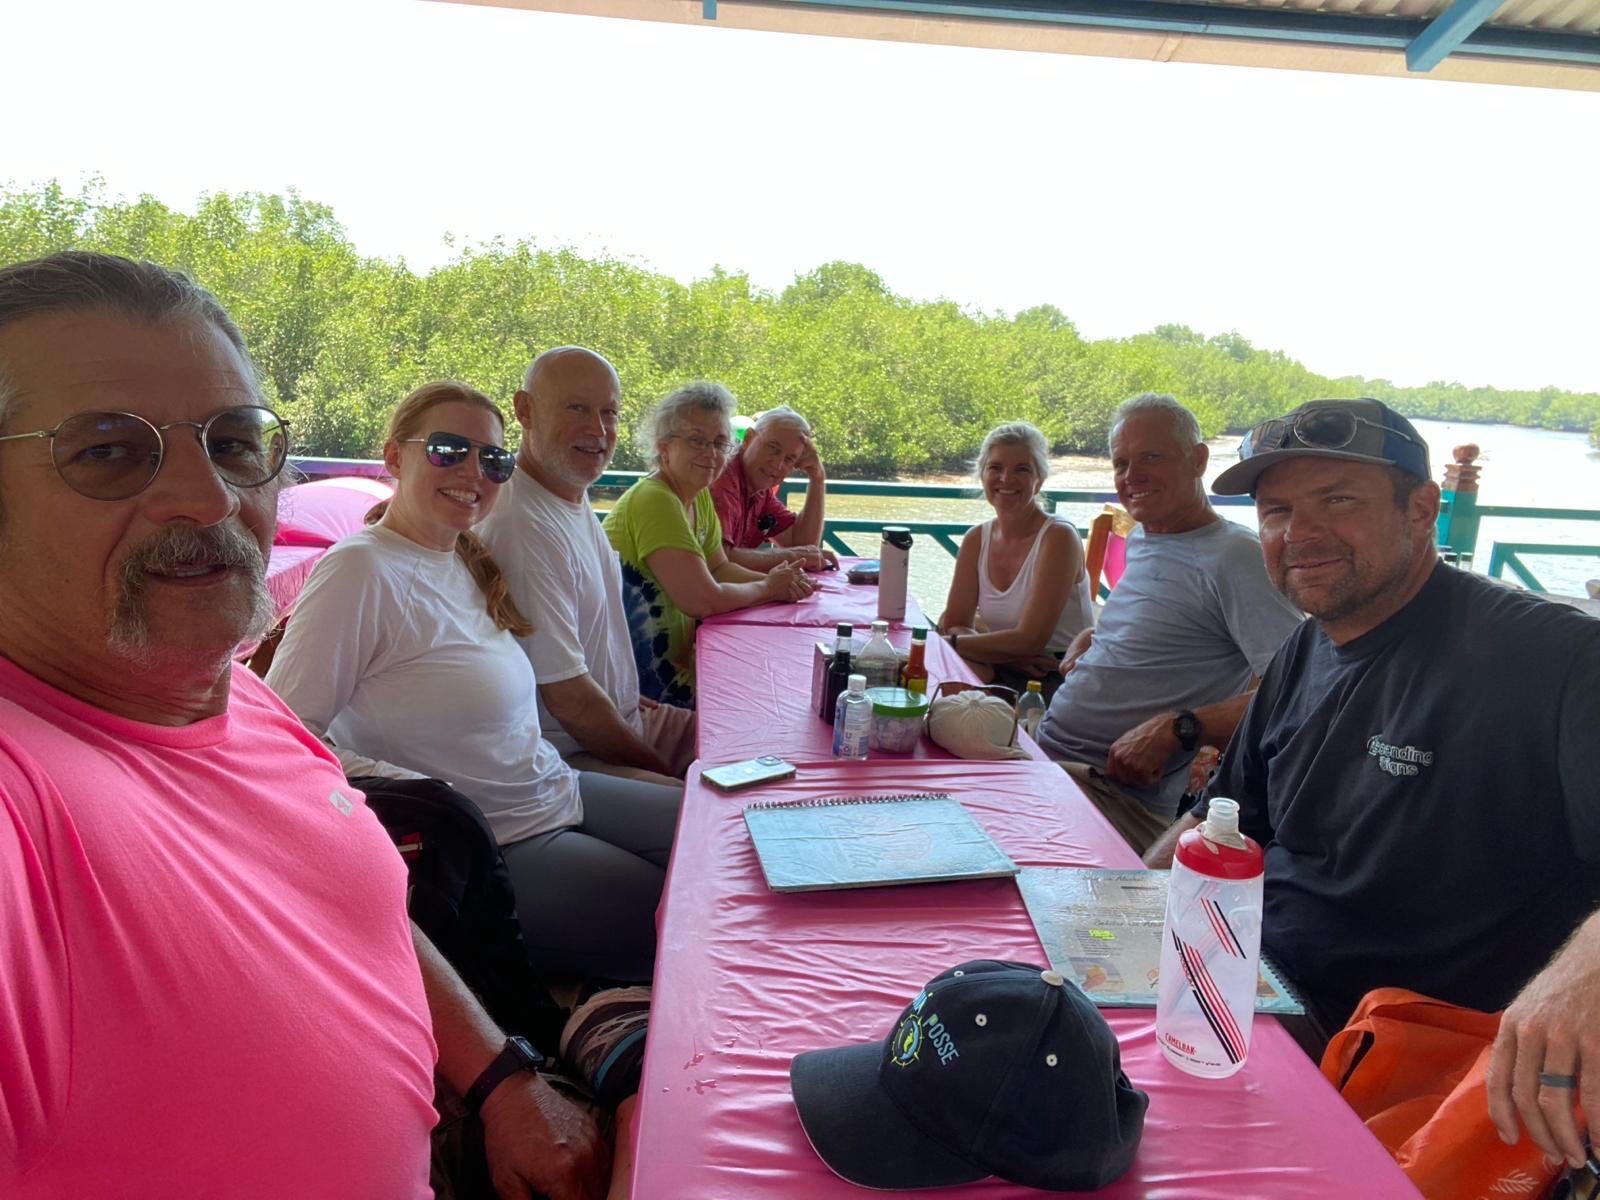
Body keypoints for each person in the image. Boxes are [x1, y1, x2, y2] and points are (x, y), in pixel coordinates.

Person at [0, 251, 607, 1200]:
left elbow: (349, 899)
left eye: (234, 442)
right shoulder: (22, 801)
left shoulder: (239, 699)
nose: (211, 499)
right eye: (107, 451)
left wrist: (500, 1079)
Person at [1145, 398, 1600, 1173]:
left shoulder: (1554, 659)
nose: (1301, 533)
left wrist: (1584, 977)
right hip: (1243, 989)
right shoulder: (1303, 649)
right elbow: (1224, 818)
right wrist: (1121, 904)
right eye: (1278, 511)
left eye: (1338, 500)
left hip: (1392, 1060)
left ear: (1422, 508)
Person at [266, 380, 681, 986]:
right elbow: (285, 736)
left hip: (556, 789)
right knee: (694, 918)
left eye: (493, 459)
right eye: (447, 450)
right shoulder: (360, 570)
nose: (472, 471)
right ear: (395, 457)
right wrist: (425, 792)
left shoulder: (461, 556)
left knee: (725, 839)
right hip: (496, 845)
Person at [1033, 393, 1303, 854]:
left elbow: (1299, 693)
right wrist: (1091, 637)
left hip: (1111, 795)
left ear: (1198, 460)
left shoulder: (1235, 556)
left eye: (1151, 457)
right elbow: (1168, 631)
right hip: (1049, 757)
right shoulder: (1143, 536)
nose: (1131, 476)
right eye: (1121, 463)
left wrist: (1181, 727)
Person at [478, 346, 695, 783]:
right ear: (525, 410)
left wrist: (622, 692)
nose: (598, 430)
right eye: (576, 408)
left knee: (756, 745)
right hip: (571, 753)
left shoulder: (566, 495)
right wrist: (663, 770)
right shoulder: (523, 525)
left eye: (609, 413)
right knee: (717, 810)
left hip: (625, 716)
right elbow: (570, 700)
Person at [603, 380, 818, 707]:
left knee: (782, 686)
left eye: (719, 443)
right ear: (664, 447)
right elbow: (702, 600)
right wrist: (769, 588)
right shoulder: (655, 499)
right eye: (696, 441)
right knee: (769, 704)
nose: (711, 454)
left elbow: (719, 567)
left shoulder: (698, 495)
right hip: (641, 688)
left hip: (679, 665)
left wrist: (783, 584)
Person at [939, 421, 1093, 700]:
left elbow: (1029, 641)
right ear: (982, 475)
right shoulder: (976, 538)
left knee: (949, 694)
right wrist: (1005, 657)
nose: (1006, 479)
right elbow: (954, 621)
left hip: (1057, 677)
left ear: (1039, 481)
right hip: (1006, 666)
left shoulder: (1058, 537)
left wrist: (947, 643)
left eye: (1022, 469)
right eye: (995, 468)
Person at [709, 404, 836, 572]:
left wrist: (817, 476)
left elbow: (802, 545)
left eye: (789, 459)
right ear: (748, 439)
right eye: (773, 449)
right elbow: (718, 559)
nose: (777, 465)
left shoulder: (760, 491)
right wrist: (791, 556)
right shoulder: (722, 478)